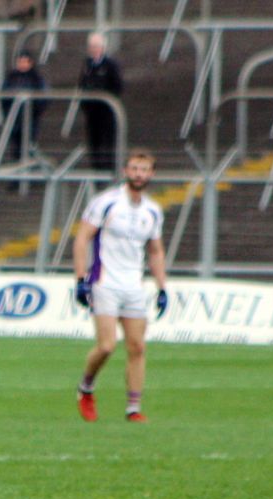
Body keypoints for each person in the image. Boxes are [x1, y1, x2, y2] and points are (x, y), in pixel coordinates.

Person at [72, 148, 167, 423]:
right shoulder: (107, 202)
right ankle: (85, 388)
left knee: (137, 347)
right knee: (107, 346)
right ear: (126, 171)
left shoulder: (152, 210)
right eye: (135, 169)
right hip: (105, 282)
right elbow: (82, 239)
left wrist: (162, 288)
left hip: (134, 285)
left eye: (144, 169)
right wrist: (80, 279)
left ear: (152, 174)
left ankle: (133, 409)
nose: (139, 174)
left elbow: (156, 251)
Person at [78, 31, 123, 172]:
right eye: (91, 46)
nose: (94, 49)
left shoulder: (110, 65)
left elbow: (118, 86)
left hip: (106, 111)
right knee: (94, 141)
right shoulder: (87, 65)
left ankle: (110, 169)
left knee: (108, 141)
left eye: (97, 46)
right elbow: (82, 84)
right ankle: (96, 169)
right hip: (92, 111)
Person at [0, 50, 48, 160]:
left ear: (30, 63)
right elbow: (4, 96)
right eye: (20, 61)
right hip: (15, 121)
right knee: (15, 149)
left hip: (30, 120)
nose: (22, 64)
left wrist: (34, 109)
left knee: (29, 148)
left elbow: (43, 98)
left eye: (25, 61)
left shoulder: (36, 79)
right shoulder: (11, 78)